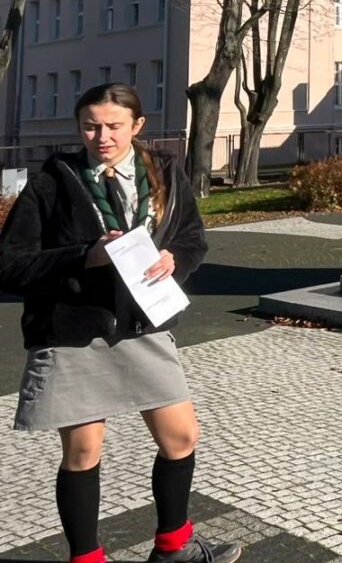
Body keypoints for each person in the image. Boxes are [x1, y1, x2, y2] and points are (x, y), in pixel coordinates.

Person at [0, 84, 239, 563]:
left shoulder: (165, 173)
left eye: (113, 126)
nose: (102, 137)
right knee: (84, 451)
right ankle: (87, 558)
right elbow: (10, 264)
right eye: (90, 126)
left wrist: (176, 259)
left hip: (143, 325)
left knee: (181, 437)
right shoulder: (52, 181)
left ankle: (173, 548)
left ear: (137, 125)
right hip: (74, 332)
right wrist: (85, 256)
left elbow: (193, 238)